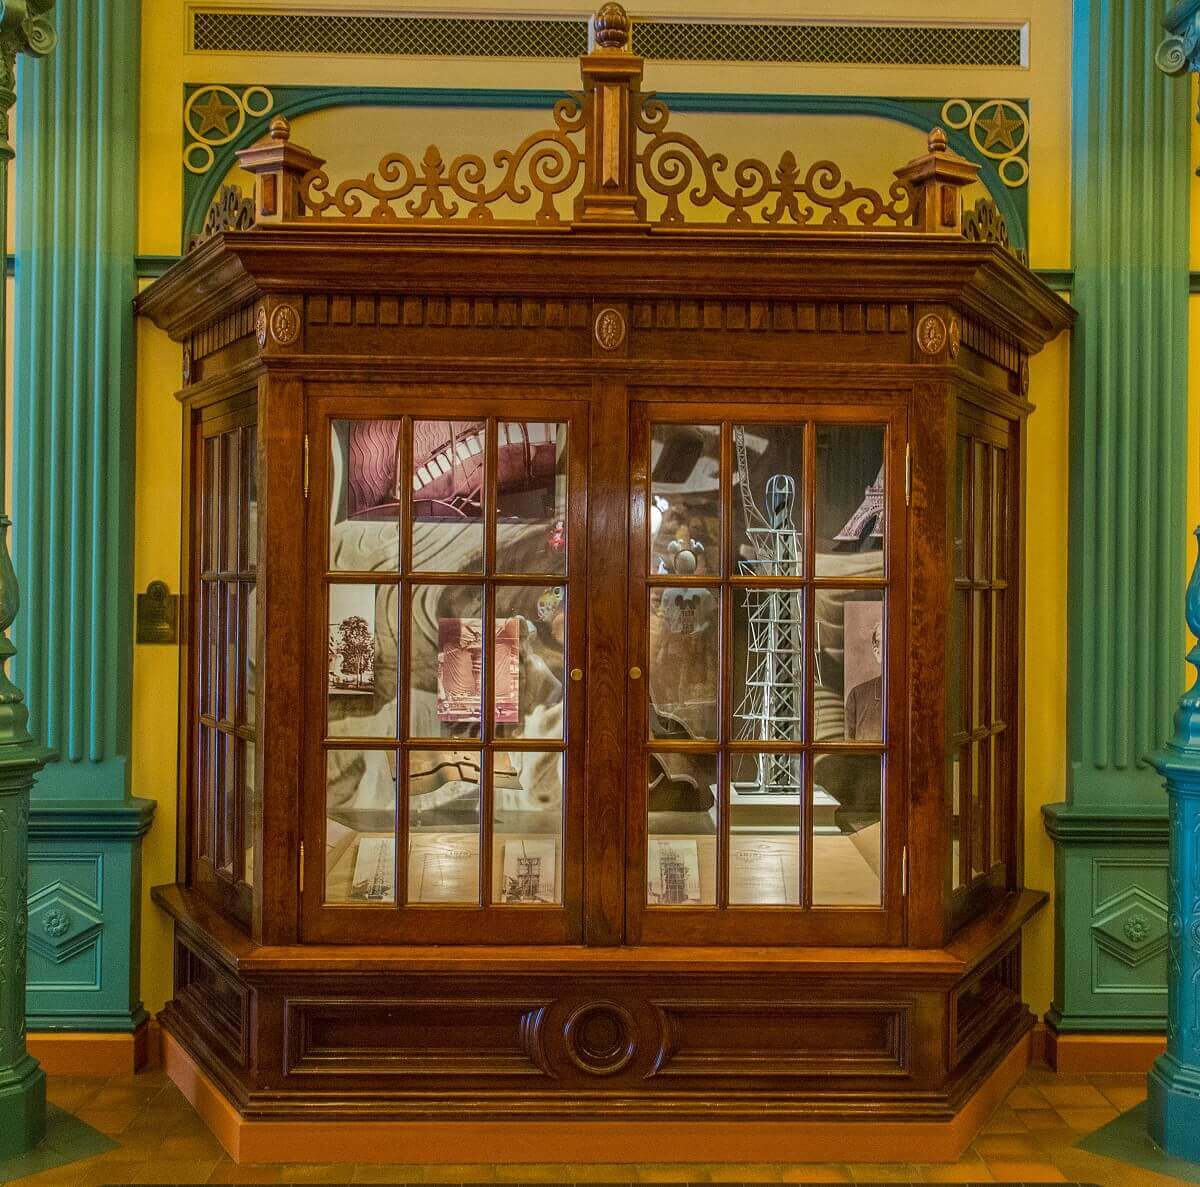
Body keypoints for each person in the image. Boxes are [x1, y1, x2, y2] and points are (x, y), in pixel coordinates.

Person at [845, 619, 883, 741]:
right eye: (889, 646)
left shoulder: (920, 696)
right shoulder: (857, 697)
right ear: (877, 653)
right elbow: (847, 754)